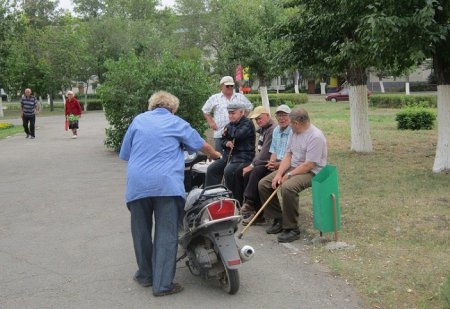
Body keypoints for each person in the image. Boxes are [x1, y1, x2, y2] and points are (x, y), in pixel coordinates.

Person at [119, 91, 221, 297]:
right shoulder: (177, 123)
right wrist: (216, 155)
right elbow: (202, 145)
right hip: (166, 185)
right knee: (166, 234)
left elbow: (125, 154)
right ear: (172, 108)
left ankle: (146, 275)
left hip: (138, 186)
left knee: (141, 232)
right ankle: (163, 284)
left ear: (152, 106)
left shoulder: (138, 121)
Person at [258, 108, 327, 243]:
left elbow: (309, 165)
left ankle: (292, 229)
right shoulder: (294, 132)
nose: (289, 125)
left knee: (288, 187)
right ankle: (279, 219)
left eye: (291, 123)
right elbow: (288, 155)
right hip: (294, 167)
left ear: (298, 122)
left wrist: (288, 175)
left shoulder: (316, 136)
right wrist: (279, 174)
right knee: (264, 184)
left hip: (313, 172)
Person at [240, 104, 292, 225]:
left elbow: (291, 156)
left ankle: (252, 204)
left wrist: (276, 164)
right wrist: (272, 161)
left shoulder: (291, 131)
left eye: (284, 115)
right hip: (275, 163)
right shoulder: (276, 130)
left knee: (258, 175)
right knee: (250, 173)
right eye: (279, 116)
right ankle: (255, 209)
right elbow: (273, 151)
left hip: (287, 165)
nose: (282, 118)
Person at [205, 102, 255, 198]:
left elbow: (237, 135)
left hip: (244, 157)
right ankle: (211, 197)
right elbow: (222, 140)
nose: (230, 116)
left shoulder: (247, 123)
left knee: (229, 171)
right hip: (229, 157)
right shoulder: (230, 125)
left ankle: (234, 200)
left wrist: (227, 131)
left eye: (233, 113)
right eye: (229, 113)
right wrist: (226, 143)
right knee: (212, 169)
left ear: (241, 113)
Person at [233, 105, 275, 211]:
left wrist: (252, 165)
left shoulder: (272, 130)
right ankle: (243, 204)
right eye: (256, 119)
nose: (258, 121)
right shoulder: (264, 129)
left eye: (259, 118)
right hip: (263, 161)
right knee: (238, 172)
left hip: (271, 162)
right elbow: (260, 152)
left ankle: (250, 203)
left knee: (252, 173)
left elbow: (265, 154)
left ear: (267, 115)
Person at [202, 76, 253, 153]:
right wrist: (211, 122)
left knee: (236, 159)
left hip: (237, 134)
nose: (230, 87)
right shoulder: (215, 98)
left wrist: (242, 119)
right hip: (220, 133)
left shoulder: (240, 97)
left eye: (231, 86)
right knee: (220, 158)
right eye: (227, 86)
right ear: (221, 86)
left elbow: (249, 107)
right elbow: (205, 110)